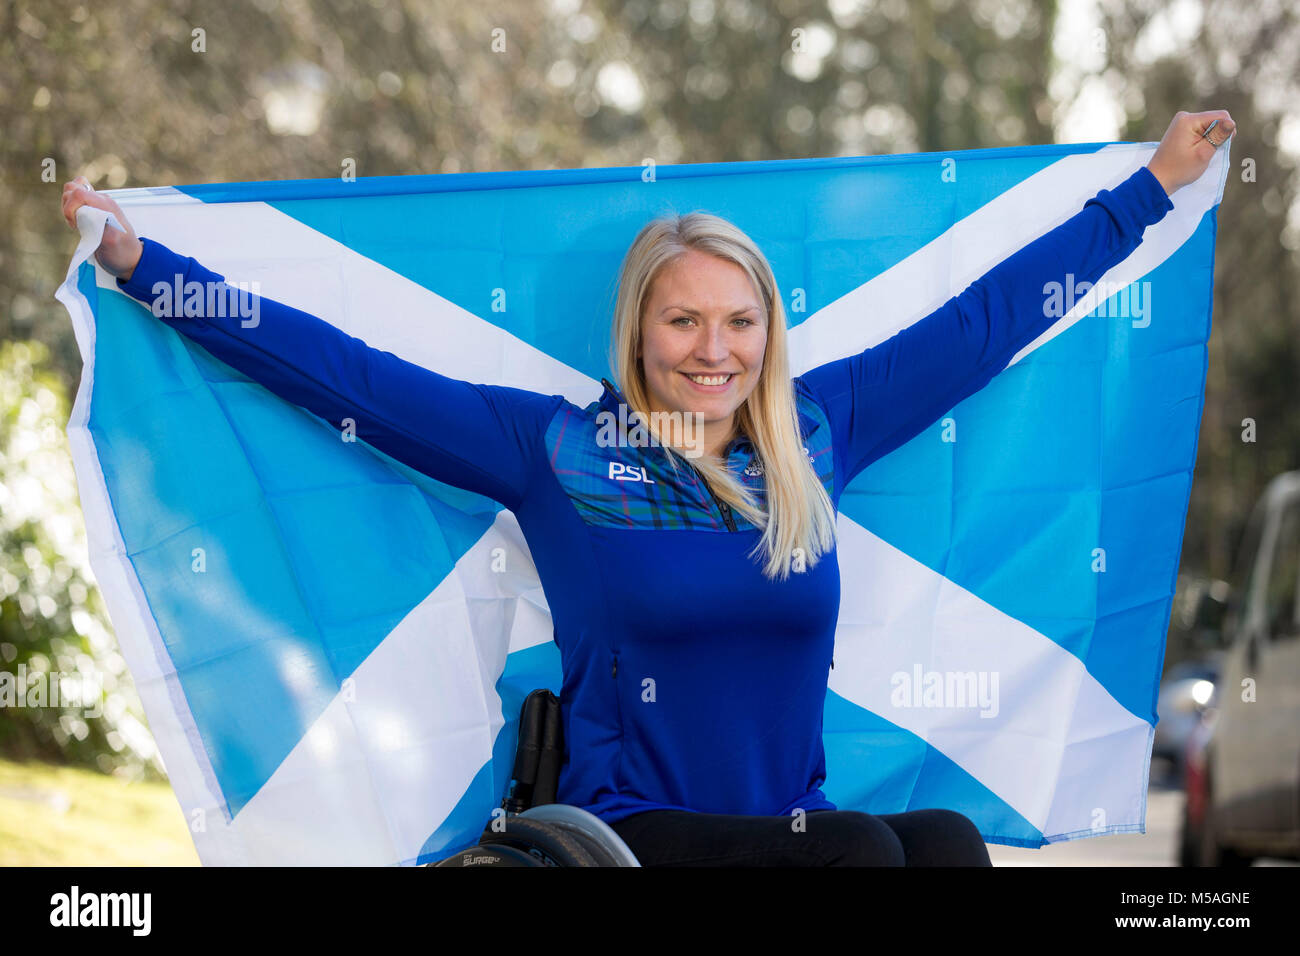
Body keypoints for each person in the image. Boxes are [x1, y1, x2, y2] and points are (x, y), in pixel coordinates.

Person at [61, 109, 1234, 866]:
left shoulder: (816, 434)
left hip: (787, 823)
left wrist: (1153, 188)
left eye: (738, 320)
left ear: (770, 332)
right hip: (626, 833)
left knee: (940, 845)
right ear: (640, 328)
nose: (712, 348)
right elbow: (345, 371)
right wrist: (140, 264)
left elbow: (983, 323)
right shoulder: (558, 451)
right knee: (869, 861)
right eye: (683, 318)